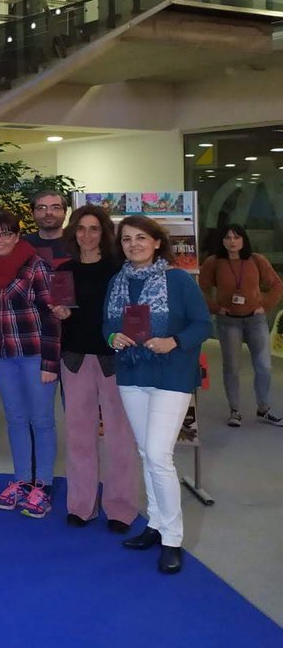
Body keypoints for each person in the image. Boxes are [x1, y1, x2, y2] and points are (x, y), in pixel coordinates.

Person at [105, 215, 210, 574]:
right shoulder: (117, 282)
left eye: (140, 238)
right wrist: (112, 338)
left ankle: (172, 539)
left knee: (158, 455)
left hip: (171, 377)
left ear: (156, 242)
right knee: (145, 453)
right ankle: (155, 523)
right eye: (126, 239)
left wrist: (174, 341)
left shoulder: (178, 280)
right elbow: (107, 326)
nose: (133, 245)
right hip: (132, 375)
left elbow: (203, 324)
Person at [51, 205, 138, 531]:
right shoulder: (64, 270)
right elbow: (63, 312)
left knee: (119, 437)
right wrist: (60, 313)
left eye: (94, 229)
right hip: (75, 358)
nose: (86, 235)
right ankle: (81, 505)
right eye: (81, 228)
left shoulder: (120, 270)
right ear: (73, 232)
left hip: (113, 359)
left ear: (104, 233)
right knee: (79, 436)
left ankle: (120, 509)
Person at [0, 209, 60, 518]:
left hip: (35, 355)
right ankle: (22, 480)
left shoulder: (36, 266)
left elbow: (53, 316)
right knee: (15, 419)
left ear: (17, 236)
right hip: (3, 357)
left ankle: (43, 485)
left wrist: (50, 362)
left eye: (6, 233)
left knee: (41, 421)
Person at [198, 223, 283, 427]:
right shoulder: (214, 262)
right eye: (227, 238)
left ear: (244, 240)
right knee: (232, 367)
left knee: (264, 366)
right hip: (228, 322)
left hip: (255, 320)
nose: (232, 242)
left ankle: (263, 408)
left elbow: (277, 284)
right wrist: (215, 308)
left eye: (236, 237)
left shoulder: (256, 260)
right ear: (222, 241)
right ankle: (234, 411)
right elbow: (201, 288)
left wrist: (265, 305)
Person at [24, 189, 71, 270]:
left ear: (65, 213)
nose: (48, 212)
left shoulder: (79, 242)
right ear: (32, 213)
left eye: (55, 207)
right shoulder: (22, 245)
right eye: (41, 208)